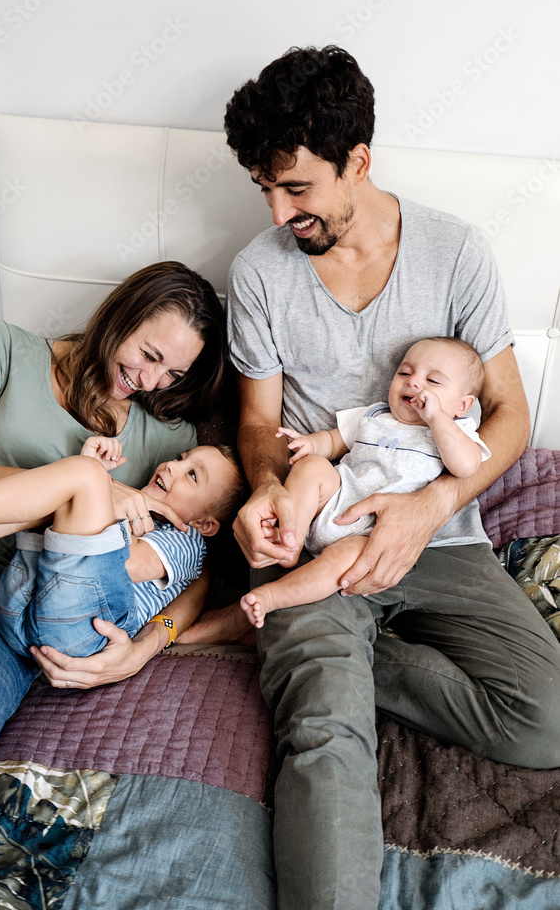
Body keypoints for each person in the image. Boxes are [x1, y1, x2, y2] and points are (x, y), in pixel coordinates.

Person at [219, 45, 560, 910]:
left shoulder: (454, 252)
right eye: (263, 187)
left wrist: (429, 505)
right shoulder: (260, 271)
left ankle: (369, 653)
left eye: (295, 188)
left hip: (440, 537)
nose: (277, 209)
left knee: (545, 717)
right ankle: (325, 651)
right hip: (318, 535)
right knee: (324, 733)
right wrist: (266, 491)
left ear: (357, 161)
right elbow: (259, 426)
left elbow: (510, 417)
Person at [0, 260, 228, 869]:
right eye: (148, 353)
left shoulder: (169, 443)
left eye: (172, 372)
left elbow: (193, 570)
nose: (149, 380)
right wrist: (90, 489)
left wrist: (148, 646)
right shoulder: (3, 347)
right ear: (120, 314)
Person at [0, 436, 243, 657]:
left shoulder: (187, 542)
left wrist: (93, 485)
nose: (173, 466)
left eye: (192, 475)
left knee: (84, 477)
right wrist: (85, 487)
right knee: (70, 484)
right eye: (182, 458)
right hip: (22, 606)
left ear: (205, 524)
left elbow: (127, 565)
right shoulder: (140, 506)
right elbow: (73, 546)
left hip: (85, 629)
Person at [241, 337, 490, 627]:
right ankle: (289, 539)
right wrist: (311, 444)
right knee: (313, 468)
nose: (414, 383)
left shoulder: (458, 432)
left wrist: (436, 417)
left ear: (463, 404)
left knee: (343, 563)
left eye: (433, 380)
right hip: (336, 500)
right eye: (405, 373)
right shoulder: (374, 414)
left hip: (372, 533)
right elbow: (336, 440)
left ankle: (272, 596)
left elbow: (466, 466)